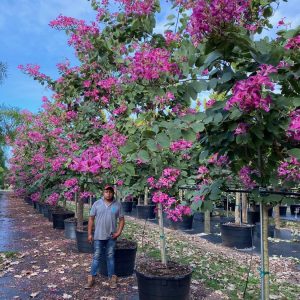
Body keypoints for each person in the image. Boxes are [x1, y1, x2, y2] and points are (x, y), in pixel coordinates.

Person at [85, 185, 125, 289]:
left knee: (110, 257)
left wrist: (118, 232)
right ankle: (91, 278)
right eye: (106, 191)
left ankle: (112, 278)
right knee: (96, 256)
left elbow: (121, 220)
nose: (108, 194)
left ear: (113, 193)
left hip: (111, 237)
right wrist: (89, 234)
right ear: (103, 193)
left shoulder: (117, 205)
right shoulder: (97, 204)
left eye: (110, 192)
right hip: (98, 236)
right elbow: (91, 219)